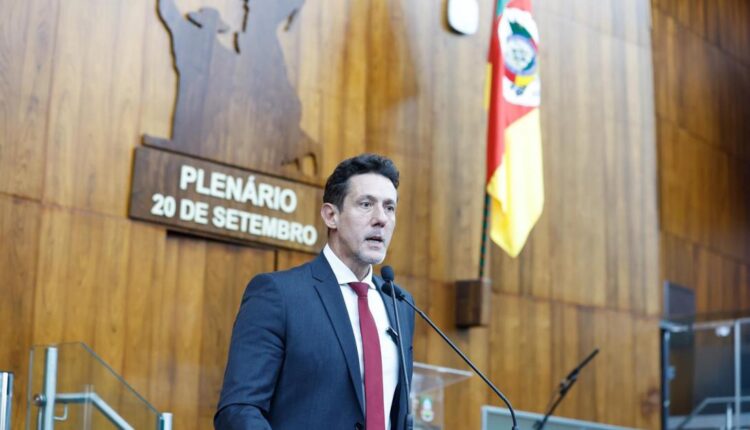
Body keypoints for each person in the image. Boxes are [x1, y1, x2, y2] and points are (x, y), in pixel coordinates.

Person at [215, 154, 415, 430]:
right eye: (366, 204)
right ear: (331, 216)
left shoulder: (399, 304)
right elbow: (239, 410)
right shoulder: (279, 295)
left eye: (389, 207)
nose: (381, 219)